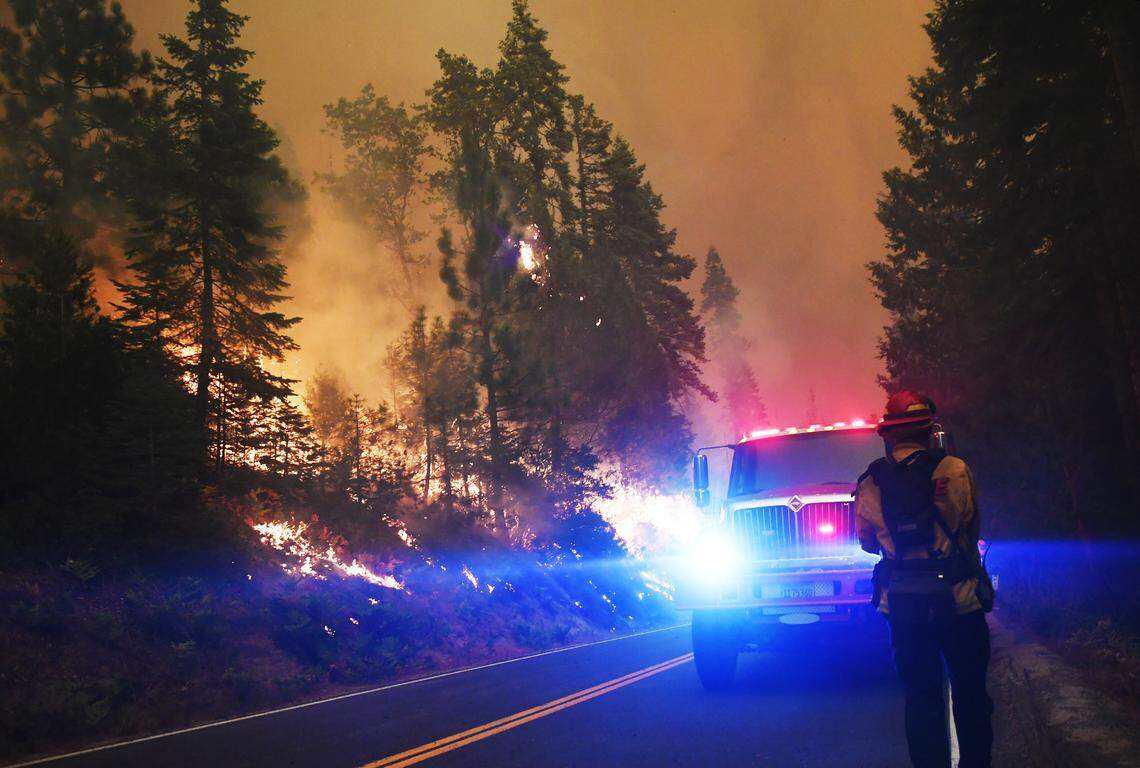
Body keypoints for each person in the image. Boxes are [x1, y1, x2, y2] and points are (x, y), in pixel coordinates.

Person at [855, 391, 993, 768]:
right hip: (959, 600)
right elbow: (971, 524)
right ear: (929, 429)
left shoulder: (869, 483)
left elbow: (867, 542)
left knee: (921, 695)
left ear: (890, 436)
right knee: (969, 692)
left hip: (902, 605)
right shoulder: (954, 470)